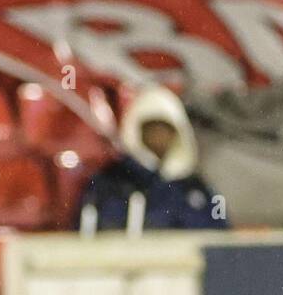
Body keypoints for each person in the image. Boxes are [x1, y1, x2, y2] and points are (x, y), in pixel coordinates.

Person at [78, 85, 229, 231]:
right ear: (136, 131)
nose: (159, 136)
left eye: (166, 129)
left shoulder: (193, 189)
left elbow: (217, 240)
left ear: (177, 133)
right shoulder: (110, 182)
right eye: (151, 128)